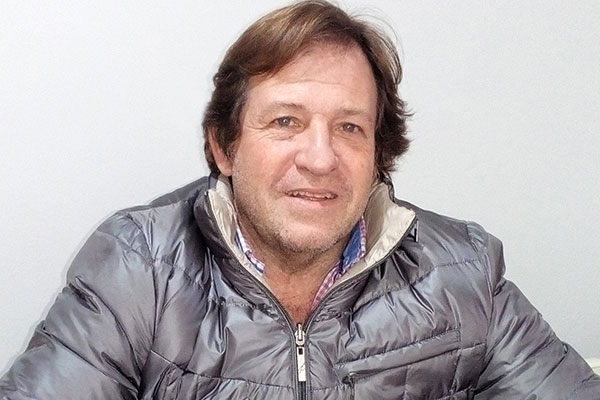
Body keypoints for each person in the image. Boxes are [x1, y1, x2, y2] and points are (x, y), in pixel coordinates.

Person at [1, 1, 598, 399]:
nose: (319, 157)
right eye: (286, 121)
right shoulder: (138, 267)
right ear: (224, 147)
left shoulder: (463, 272)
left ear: (378, 155)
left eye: (349, 127)